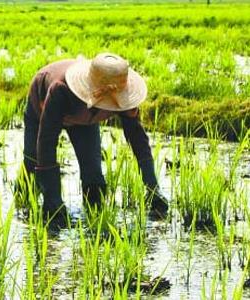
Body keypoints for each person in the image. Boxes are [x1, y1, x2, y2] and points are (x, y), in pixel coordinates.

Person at [22, 53, 168, 224]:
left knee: (94, 177)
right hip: (41, 108)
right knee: (33, 163)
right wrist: (53, 199)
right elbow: (47, 141)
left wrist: (152, 187)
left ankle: (93, 221)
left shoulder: (123, 95)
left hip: (85, 120)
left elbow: (138, 139)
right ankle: (24, 206)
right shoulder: (60, 89)